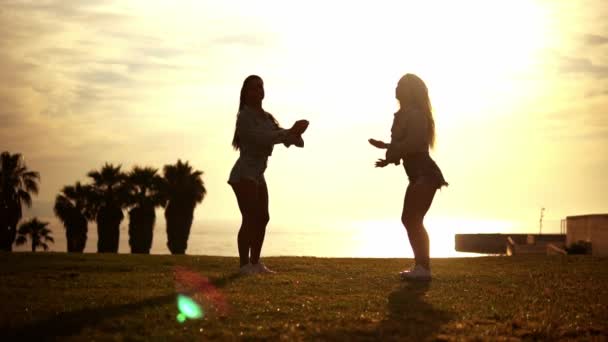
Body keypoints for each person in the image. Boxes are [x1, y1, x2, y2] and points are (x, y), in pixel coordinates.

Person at [369, 73, 448, 281]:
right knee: (411, 219)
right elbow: (404, 148)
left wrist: (389, 148)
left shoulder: (415, 114)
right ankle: (421, 267)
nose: (396, 88)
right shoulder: (404, 114)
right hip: (417, 175)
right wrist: (388, 156)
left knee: (412, 219)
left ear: (410, 91)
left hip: (425, 174)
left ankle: (423, 268)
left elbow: (413, 144)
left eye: (400, 85)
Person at [229, 75, 309, 275]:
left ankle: (255, 263)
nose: (257, 91)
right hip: (244, 173)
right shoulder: (244, 117)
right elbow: (260, 138)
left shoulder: (267, 118)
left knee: (263, 217)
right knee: (249, 218)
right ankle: (243, 265)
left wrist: (296, 133)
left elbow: (289, 139)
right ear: (245, 93)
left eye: (260, 87)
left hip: (258, 174)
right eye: (253, 88)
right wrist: (287, 133)